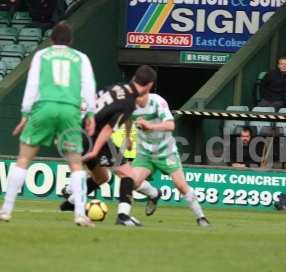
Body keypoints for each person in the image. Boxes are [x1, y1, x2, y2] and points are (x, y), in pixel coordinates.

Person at [0, 22, 96, 226]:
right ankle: (80, 214)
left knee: (23, 159)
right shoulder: (81, 57)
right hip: (70, 109)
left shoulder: (41, 55)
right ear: (70, 41)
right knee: (76, 164)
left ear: (51, 39)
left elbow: (32, 84)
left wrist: (26, 113)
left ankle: (6, 210)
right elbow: (89, 86)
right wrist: (90, 115)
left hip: (44, 107)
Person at [59, 70, 161, 227]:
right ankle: (123, 216)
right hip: (94, 137)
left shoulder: (118, 88)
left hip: (79, 132)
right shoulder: (128, 101)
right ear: (149, 85)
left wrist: (127, 137)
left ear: (134, 78)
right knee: (128, 175)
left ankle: (71, 203)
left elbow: (122, 117)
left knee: (101, 178)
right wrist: (95, 150)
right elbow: (108, 129)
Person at [117, 65, 210, 226]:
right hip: (145, 152)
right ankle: (153, 194)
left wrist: (150, 126)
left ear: (147, 88)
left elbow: (170, 125)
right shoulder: (129, 102)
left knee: (181, 185)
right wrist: (128, 138)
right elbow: (127, 119)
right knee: (133, 182)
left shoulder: (157, 102)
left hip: (165, 151)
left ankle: (201, 217)